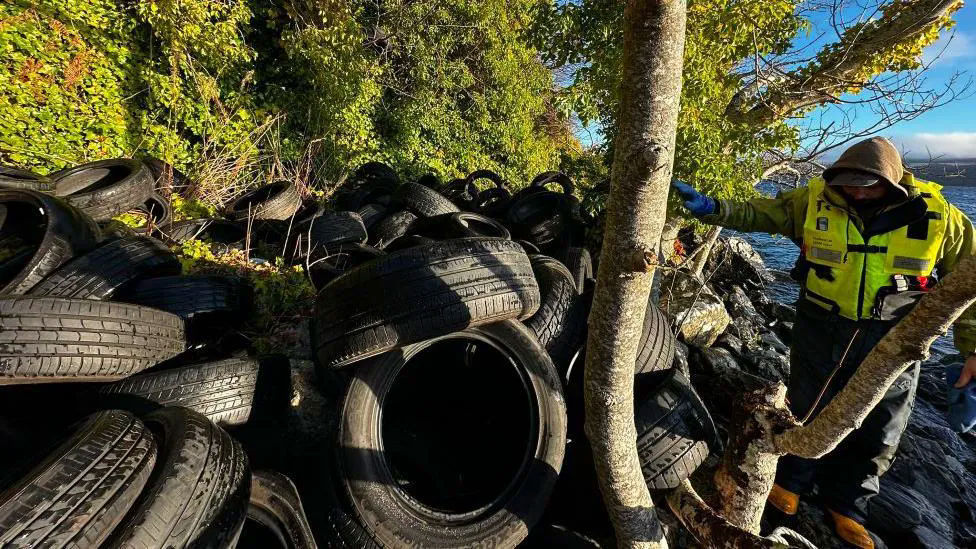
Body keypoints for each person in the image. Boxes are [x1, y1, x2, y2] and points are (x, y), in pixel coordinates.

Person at [673, 136, 976, 549]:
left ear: (892, 182)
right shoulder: (815, 199)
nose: (854, 191)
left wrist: (971, 349)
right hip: (821, 323)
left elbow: (967, 287)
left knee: (882, 424)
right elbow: (762, 212)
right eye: (847, 182)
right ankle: (791, 483)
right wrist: (714, 208)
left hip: (896, 336)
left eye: (866, 185)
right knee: (806, 402)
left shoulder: (940, 216)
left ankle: (849, 507)